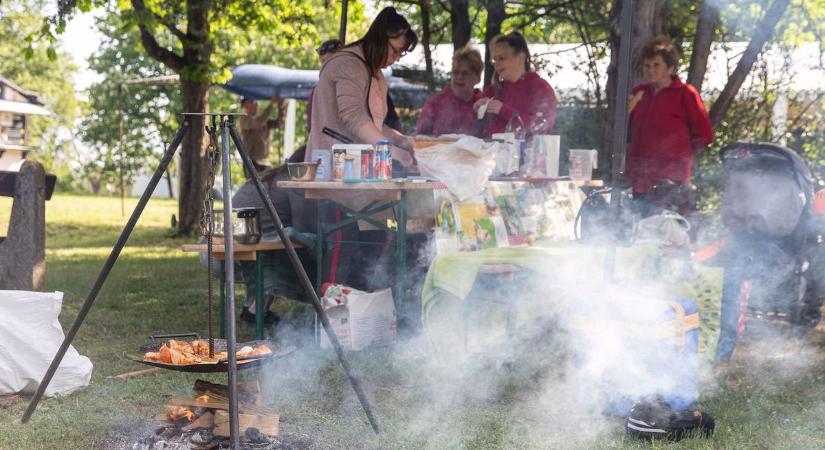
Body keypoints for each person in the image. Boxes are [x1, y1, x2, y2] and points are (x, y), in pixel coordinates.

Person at [306, 6, 417, 168]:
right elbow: (354, 117)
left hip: (355, 175)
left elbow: (371, 125)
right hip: (332, 172)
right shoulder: (349, 65)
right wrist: (393, 151)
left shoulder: (370, 70)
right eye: (396, 51)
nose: (397, 58)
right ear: (381, 39)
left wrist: (401, 140)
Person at [625, 36, 713, 217]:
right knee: (640, 230)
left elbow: (704, 135)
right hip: (639, 179)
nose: (650, 71)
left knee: (668, 233)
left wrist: (677, 154)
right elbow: (625, 132)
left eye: (656, 65)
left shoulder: (686, 94)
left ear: (671, 68)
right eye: (647, 66)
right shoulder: (638, 93)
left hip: (671, 182)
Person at [474, 31, 558, 138]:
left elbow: (542, 128)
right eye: (495, 60)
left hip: (526, 153)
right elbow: (473, 131)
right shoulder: (493, 90)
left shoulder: (540, 88)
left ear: (521, 58)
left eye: (502, 58)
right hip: (491, 153)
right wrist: (476, 110)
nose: (497, 64)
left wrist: (504, 110)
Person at [415, 45, 484, 136]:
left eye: (465, 73)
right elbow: (420, 138)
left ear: (478, 78)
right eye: (456, 72)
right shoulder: (435, 103)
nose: (459, 77)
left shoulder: (483, 105)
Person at [306, 39, 344, 132]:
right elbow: (312, 126)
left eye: (329, 62)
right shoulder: (317, 90)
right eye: (322, 62)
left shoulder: (351, 86)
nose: (325, 67)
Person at [239, 96, 280, 176]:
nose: (257, 103)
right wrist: (271, 105)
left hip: (265, 162)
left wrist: (281, 107)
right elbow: (258, 123)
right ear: (246, 105)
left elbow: (278, 124)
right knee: (254, 186)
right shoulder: (244, 119)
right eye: (253, 101)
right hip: (251, 161)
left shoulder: (263, 120)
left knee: (266, 187)